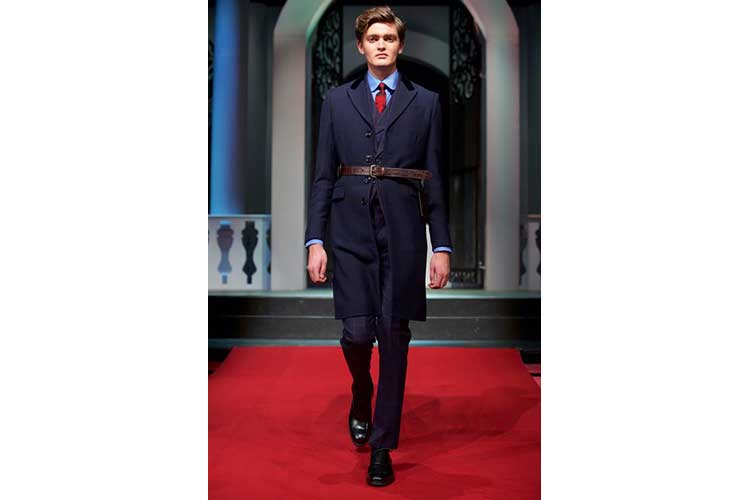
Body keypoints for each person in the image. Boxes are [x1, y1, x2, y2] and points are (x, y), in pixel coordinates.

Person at [304, 5, 452, 487]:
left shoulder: (426, 103)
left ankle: (382, 448)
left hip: (404, 232)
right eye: (374, 38)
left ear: (400, 45)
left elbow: (435, 177)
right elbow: (323, 175)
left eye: (389, 37)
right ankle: (361, 389)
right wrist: (315, 239)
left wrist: (442, 245)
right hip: (349, 230)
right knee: (355, 333)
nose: (382, 44)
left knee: (393, 336)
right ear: (361, 46)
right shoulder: (336, 100)